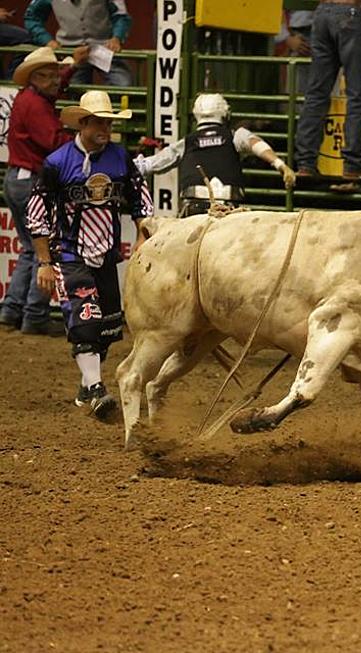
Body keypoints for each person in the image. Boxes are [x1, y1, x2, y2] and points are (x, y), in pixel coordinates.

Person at [27, 90, 153, 419]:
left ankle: (87, 383)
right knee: (86, 321)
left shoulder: (120, 158)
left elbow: (140, 198)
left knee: (108, 328)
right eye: (98, 121)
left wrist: (143, 233)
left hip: (107, 255)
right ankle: (97, 390)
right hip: (70, 254)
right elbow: (37, 213)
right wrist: (44, 262)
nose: (105, 127)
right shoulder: (57, 163)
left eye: (108, 122)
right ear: (82, 123)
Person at [0, 46, 87, 335]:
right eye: (48, 76)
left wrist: (72, 65)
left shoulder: (29, 98)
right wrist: (82, 140)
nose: (55, 81)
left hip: (18, 178)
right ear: (35, 78)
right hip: (31, 182)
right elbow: (53, 140)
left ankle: (12, 310)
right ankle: (34, 315)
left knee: (29, 248)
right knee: (44, 249)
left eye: (54, 75)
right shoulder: (36, 105)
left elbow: (55, 84)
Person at [134, 93, 296, 218]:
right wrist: (279, 164)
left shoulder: (186, 142)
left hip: (193, 211)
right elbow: (255, 143)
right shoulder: (234, 135)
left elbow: (151, 164)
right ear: (225, 113)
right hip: (229, 211)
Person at [294, 0, 361, 181]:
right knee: (358, 94)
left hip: (321, 13)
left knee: (316, 94)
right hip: (349, 13)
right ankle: (354, 163)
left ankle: (305, 163)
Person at [24, 0, 133, 87]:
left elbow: (121, 15)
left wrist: (117, 37)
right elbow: (31, 17)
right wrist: (47, 40)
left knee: (123, 84)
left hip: (104, 46)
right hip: (69, 48)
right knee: (73, 89)